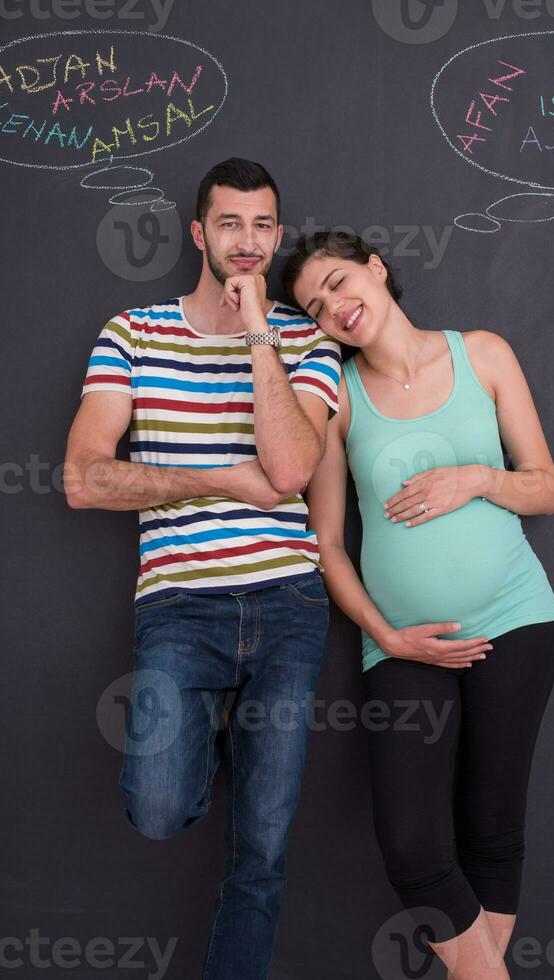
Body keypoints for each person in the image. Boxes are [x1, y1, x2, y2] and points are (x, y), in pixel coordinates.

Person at [64, 159, 342, 980]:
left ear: (277, 234)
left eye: (262, 226)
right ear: (199, 233)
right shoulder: (133, 333)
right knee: (155, 809)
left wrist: (259, 329)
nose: (247, 242)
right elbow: (84, 478)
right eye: (230, 224)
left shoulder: (305, 337)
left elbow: (290, 470)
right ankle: (214, 737)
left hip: (288, 605)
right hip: (181, 609)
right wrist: (219, 479)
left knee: (259, 852)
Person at [282, 230, 554, 979]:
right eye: (314, 306)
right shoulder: (335, 396)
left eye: (340, 282)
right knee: (411, 846)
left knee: (492, 830)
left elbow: (544, 485)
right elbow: (328, 546)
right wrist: (386, 637)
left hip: (516, 620)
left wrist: (475, 477)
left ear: (377, 270)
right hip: (400, 645)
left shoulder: (483, 354)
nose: (334, 307)